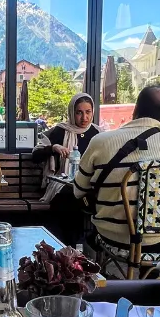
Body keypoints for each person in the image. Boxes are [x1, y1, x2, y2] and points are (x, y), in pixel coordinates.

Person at [74, 84, 160, 255]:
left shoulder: (100, 142)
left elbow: (78, 191)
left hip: (112, 238)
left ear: (135, 110)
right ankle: (155, 276)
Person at [32, 93, 99, 245]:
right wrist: (53, 148)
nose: (84, 118)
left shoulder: (98, 134)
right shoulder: (59, 132)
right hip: (62, 183)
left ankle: (73, 246)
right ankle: (71, 245)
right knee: (71, 195)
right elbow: (36, 155)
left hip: (89, 184)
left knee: (83, 195)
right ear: (72, 113)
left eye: (88, 112)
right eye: (79, 112)